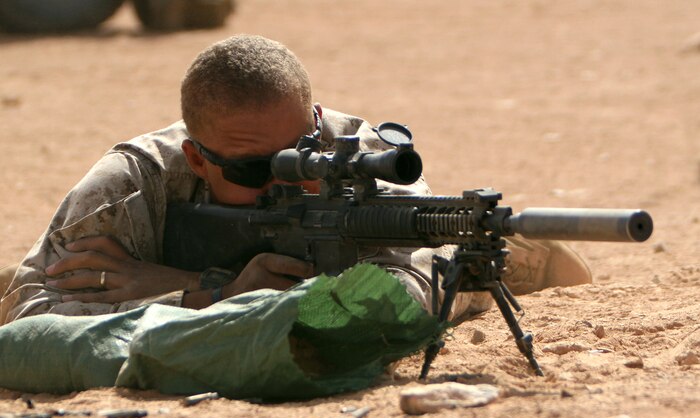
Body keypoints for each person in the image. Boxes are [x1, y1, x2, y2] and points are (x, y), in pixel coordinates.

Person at [0, 34, 591, 326]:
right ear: (198, 158)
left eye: (300, 154)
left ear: (316, 127)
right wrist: (209, 295)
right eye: (253, 169)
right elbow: (28, 308)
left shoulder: (363, 158)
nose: (281, 182)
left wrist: (194, 290)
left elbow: (409, 285)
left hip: (433, 263)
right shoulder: (137, 180)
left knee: (492, 267)